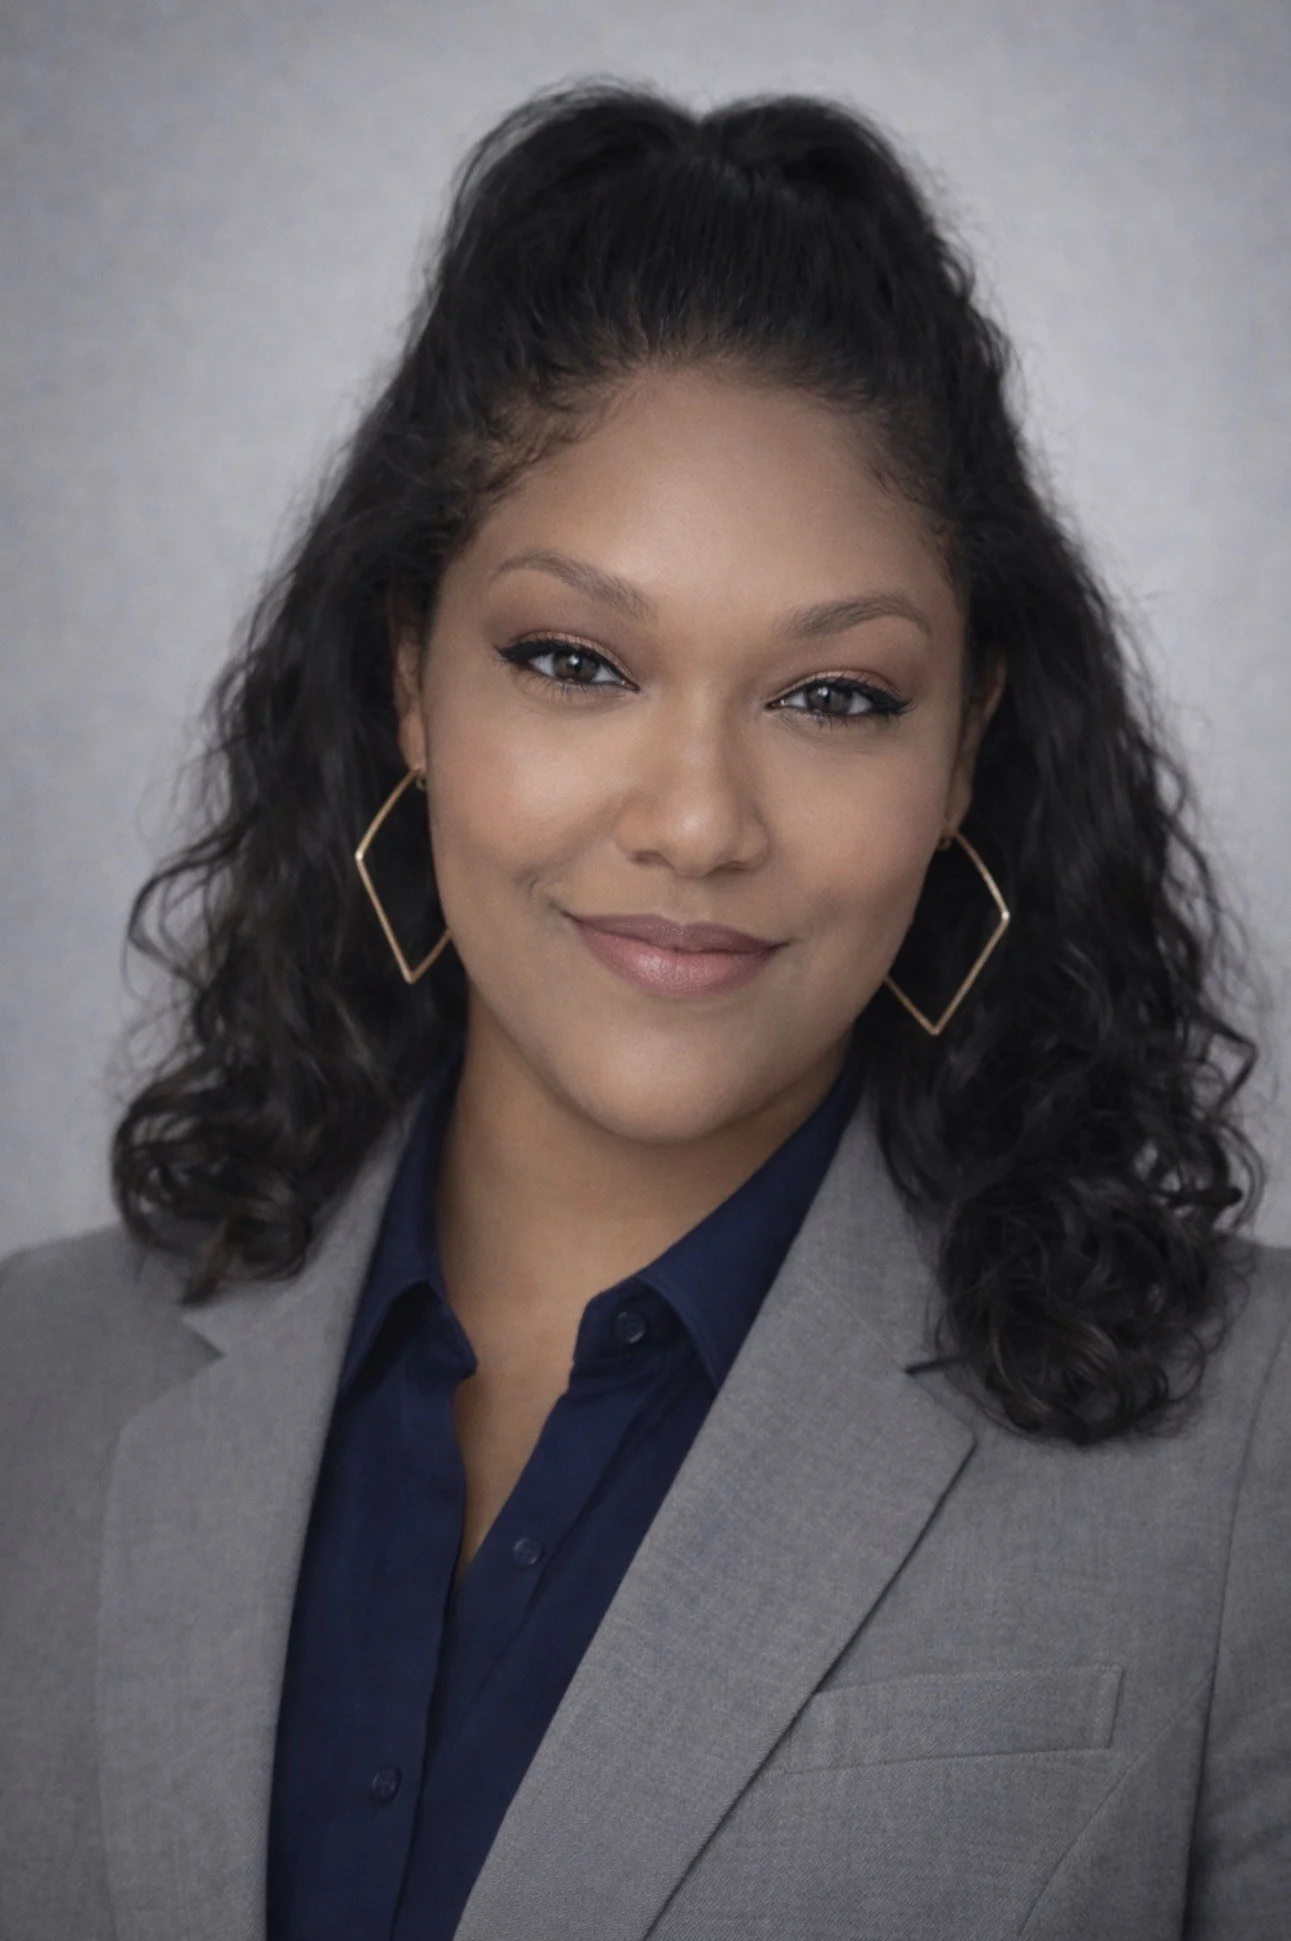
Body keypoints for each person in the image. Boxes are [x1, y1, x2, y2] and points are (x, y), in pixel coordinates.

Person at [1, 80, 1287, 1941]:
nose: (693, 822)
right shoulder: (32, 1388)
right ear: (412, 684)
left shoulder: (1247, 1455)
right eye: (572, 661)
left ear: (965, 743)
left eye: (834, 694)